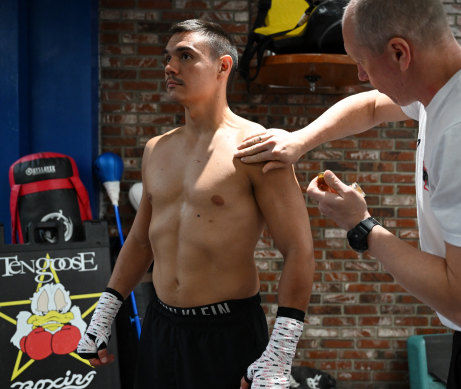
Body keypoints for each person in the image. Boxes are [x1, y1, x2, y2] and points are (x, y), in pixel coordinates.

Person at [235, 1, 461, 388]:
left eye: (362, 61)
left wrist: (361, 225)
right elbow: (370, 107)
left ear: (400, 52)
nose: (361, 75)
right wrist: (300, 140)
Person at [77, 19, 315, 389]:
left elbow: (298, 248)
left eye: (186, 56)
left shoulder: (256, 147)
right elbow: (141, 242)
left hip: (227, 332)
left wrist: (281, 351)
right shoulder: (157, 148)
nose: (170, 67)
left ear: (223, 67)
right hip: (161, 325)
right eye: (168, 57)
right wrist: (104, 314)